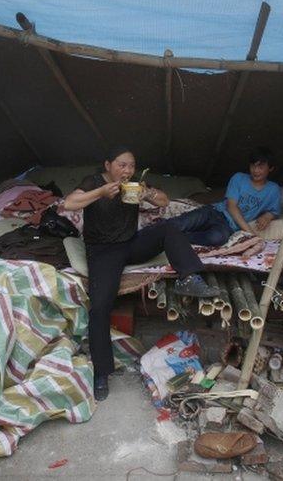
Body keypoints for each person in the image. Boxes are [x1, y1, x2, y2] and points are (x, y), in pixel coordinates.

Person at [62, 146, 219, 401]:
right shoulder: (94, 182)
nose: (127, 170)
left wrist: (148, 193)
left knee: (169, 229)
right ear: (108, 165)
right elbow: (69, 203)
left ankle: (189, 277)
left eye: (131, 165)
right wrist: (101, 192)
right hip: (103, 251)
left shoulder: (134, 183)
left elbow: (164, 201)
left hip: (130, 244)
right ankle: (101, 372)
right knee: (100, 307)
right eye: (122, 165)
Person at [167, 147, 282, 246]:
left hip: (228, 226)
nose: (256, 171)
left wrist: (267, 216)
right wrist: (250, 233)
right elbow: (231, 206)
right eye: (253, 166)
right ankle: (154, 233)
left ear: (270, 168)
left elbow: (275, 211)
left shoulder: (273, 190)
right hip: (214, 212)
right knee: (179, 224)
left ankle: (178, 238)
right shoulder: (239, 178)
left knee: (217, 238)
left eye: (261, 167)